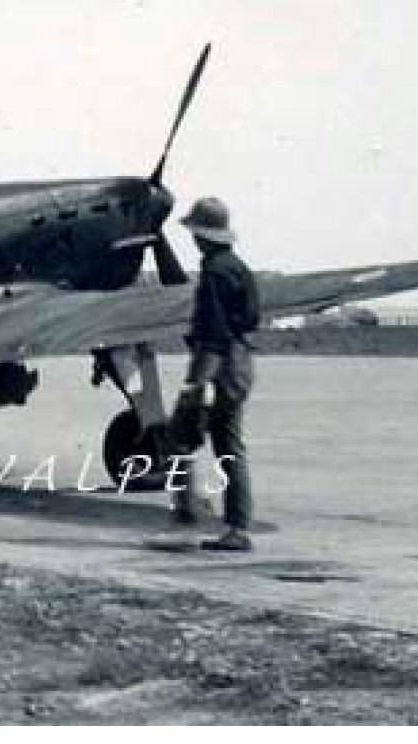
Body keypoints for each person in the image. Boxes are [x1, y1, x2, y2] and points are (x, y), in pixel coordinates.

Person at [172, 196, 260, 551]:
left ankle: (190, 511)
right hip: (240, 363)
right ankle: (232, 523)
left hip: (216, 364)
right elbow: (248, 319)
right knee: (229, 445)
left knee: (183, 435)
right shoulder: (237, 266)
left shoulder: (214, 272)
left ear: (201, 235)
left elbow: (213, 335)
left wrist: (196, 384)